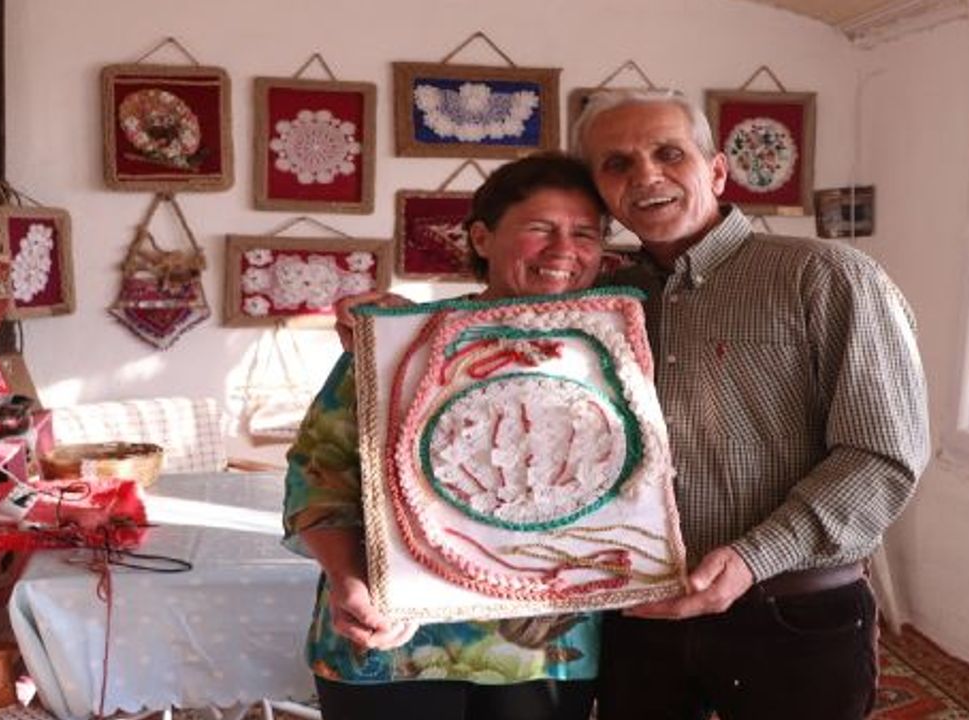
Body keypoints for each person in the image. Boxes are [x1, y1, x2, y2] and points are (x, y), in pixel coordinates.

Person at [567, 89, 931, 720]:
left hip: (793, 613)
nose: (645, 175)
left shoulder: (828, 276)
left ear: (715, 170)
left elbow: (882, 458)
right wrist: (394, 321)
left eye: (668, 153)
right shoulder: (603, 297)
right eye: (617, 163)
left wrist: (752, 557)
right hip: (640, 619)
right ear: (599, 191)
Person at [283, 153, 609, 720]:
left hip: (542, 650)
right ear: (481, 238)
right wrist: (349, 581)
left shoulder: (609, 356)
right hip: (392, 638)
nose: (564, 250)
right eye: (540, 228)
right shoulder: (402, 342)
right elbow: (320, 474)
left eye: (585, 233)